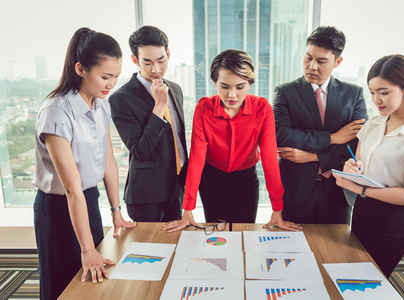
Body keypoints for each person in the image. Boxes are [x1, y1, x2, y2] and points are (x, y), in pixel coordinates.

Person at [33, 27, 135, 300]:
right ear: (80, 69)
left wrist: (116, 212)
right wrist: (87, 249)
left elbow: (108, 162)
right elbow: (70, 189)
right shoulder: (56, 111)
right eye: (105, 77)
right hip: (57, 208)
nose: (111, 84)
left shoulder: (102, 104)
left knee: (92, 283)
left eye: (115, 77)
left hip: (87, 201)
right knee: (62, 286)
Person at [164, 49, 301, 232]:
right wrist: (188, 208)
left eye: (240, 86)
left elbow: (269, 160)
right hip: (211, 181)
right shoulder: (203, 108)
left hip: (245, 182)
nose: (232, 95)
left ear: (250, 83)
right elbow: (197, 158)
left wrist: (277, 208)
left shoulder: (262, 108)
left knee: (244, 235)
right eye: (225, 86)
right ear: (215, 82)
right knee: (216, 238)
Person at [334, 54, 404, 278]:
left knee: (371, 282)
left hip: (394, 221)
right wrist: (351, 168)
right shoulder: (373, 123)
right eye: (372, 93)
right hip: (363, 212)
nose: (376, 100)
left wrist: (360, 189)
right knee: (352, 276)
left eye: (384, 92)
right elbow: (360, 165)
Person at [273, 26, 368, 224]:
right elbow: (280, 135)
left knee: (335, 252)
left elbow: (356, 144)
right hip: (296, 190)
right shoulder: (285, 92)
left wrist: (313, 156)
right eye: (308, 58)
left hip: (338, 190)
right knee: (293, 250)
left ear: (337, 62)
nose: (312, 66)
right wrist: (333, 138)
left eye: (321, 61)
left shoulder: (354, 94)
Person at [109, 26, 188, 222]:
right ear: (135, 60)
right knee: (148, 251)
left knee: (176, 247)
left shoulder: (175, 89)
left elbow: (177, 139)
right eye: (147, 62)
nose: (156, 69)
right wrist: (159, 105)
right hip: (146, 194)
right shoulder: (121, 99)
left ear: (168, 54)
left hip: (176, 188)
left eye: (161, 60)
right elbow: (141, 151)